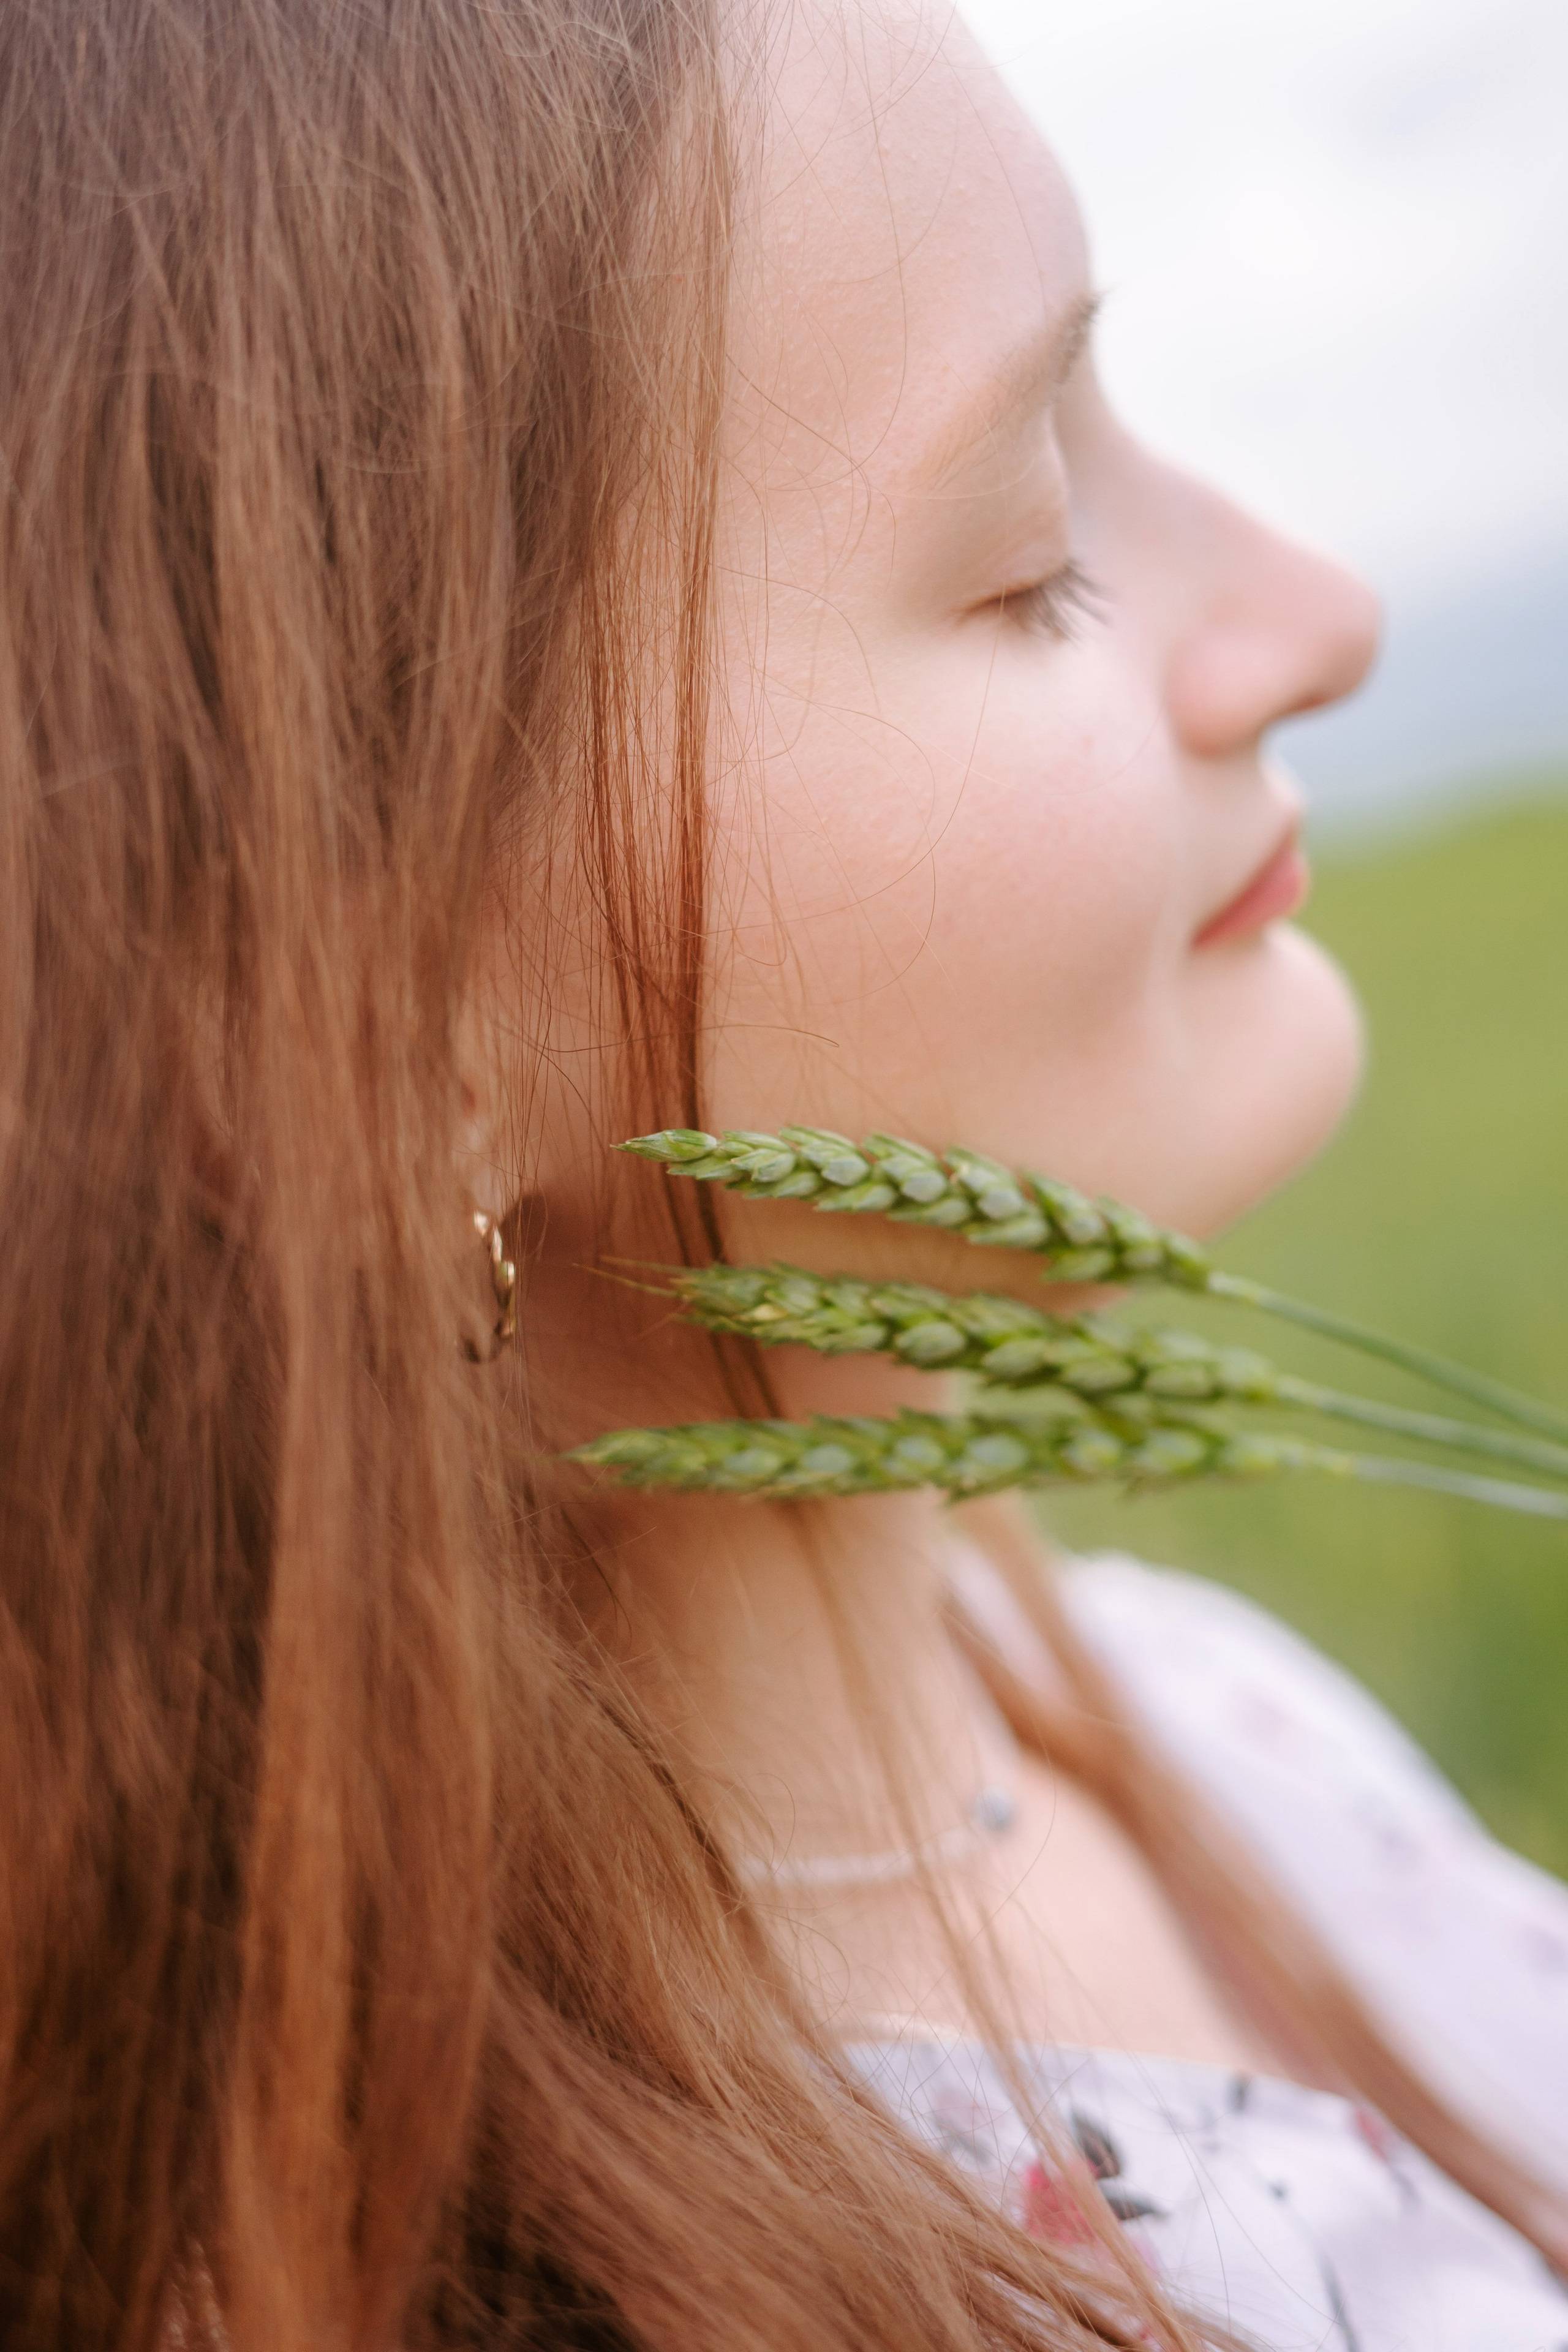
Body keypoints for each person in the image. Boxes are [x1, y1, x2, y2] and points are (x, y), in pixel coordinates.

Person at [2, 0, 1564, 2347]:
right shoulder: (579, 2283)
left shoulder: (1165, 1701)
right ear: (374, 1027)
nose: (1312, 616)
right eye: (1031, 553)